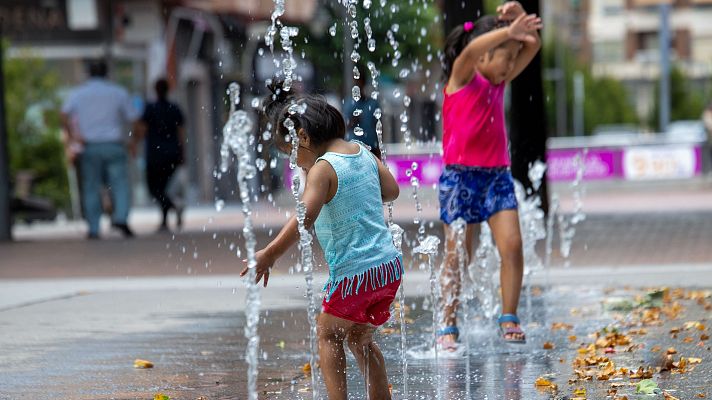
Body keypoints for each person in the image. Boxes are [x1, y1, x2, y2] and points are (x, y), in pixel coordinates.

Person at [240, 81, 401, 399]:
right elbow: (392, 191)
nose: (297, 163)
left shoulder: (323, 169)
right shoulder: (363, 153)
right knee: (359, 340)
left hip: (357, 274)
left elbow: (304, 220)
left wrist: (270, 253)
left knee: (327, 334)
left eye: (293, 155)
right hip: (388, 269)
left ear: (302, 137)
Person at [437, 2, 542, 348]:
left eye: (513, 59)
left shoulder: (499, 81)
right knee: (458, 255)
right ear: (484, 57)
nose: (511, 66)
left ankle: (509, 316)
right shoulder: (463, 76)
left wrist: (517, 21)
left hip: (496, 178)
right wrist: (507, 32)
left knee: (512, 246)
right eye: (505, 58)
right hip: (460, 179)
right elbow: (470, 50)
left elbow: (534, 44)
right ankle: (447, 324)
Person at [61, 60, 140, 239]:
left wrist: (73, 136)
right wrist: (133, 141)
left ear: (89, 73)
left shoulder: (78, 94)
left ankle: (94, 227)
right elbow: (134, 119)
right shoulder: (118, 92)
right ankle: (121, 218)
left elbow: (63, 115)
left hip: (90, 146)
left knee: (91, 187)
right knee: (120, 184)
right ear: (106, 73)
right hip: (114, 145)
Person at [132, 78, 186, 231]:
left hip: (155, 155)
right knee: (162, 188)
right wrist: (182, 153)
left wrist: (134, 143)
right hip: (172, 154)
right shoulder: (174, 108)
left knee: (154, 189)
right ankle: (167, 216)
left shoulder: (150, 108)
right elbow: (181, 133)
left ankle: (172, 208)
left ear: (156, 90)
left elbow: (141, 130)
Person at [344, 71, 382, 158]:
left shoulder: (373, 104)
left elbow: (379, 127)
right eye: (356, 82)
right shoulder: (349, 104)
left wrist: (379, 146)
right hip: (353, 149)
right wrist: (353, 120)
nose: (358, 84)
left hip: (371, 147)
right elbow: (345, 126)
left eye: (360, 81)